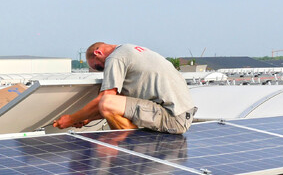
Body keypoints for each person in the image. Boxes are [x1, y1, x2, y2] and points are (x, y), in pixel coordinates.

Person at [53, 42, 196, 134]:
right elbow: (121, 102)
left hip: (172, 117)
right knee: (113, 99)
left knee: (107, 101)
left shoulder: (115, 58)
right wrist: (87, 118)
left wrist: (70, 119)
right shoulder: (131, 50)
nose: (102, 70)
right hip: (180, 113)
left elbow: (106, 101)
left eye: (98, 67)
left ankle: (131, 147)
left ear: (98, 53)